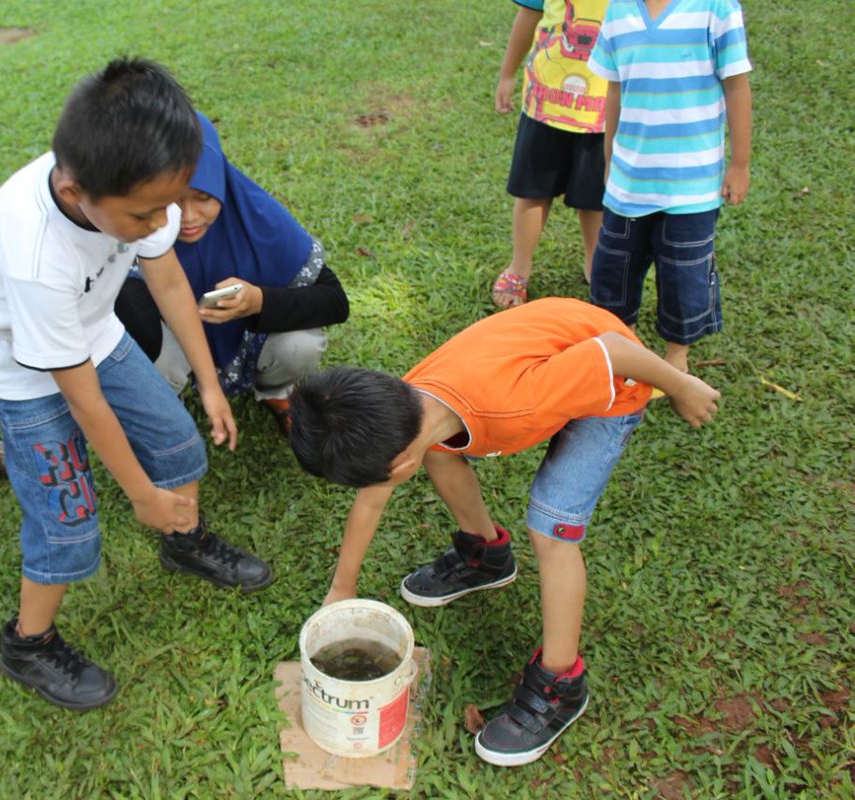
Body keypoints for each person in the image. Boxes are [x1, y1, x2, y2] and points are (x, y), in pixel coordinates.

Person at [0, 58, 274, 711]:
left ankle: (184, 544)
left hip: (89, 329)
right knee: (67, 523)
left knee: (180, 446)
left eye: (170, 205)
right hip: (23, 367)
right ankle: (29, 642)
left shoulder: (138, 196)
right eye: (145, 214)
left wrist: (209, 384)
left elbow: (170, 283)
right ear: (74, 193)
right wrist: (142, 497)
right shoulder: (38, 254)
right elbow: (82, 400)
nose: (162, 224)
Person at [286, 298, 721, 766]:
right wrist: (341, 588)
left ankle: (562, 682)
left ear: (398, 466)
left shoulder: (514, 403)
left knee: (551, 528)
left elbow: (615, 349)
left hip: (613, 385)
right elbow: (371, 500)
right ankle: (487, 556)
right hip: (556, 347)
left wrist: (681, 386)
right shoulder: (409, 405)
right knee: (439, 448)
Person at [114, 112, 348, 432]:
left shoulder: (257, 216)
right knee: (142, 354)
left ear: (220, 183)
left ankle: (275, 392)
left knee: (300, 344)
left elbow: (334, 301)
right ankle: (167, 406)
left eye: (204, 197)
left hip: (246, 335)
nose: (189, 217)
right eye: (171, 202)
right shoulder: (131, 229)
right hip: (171, 341)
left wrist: (258, 301)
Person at [587, 0, 753, 372]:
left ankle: (676, 358)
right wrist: (610, 155)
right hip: (629, 182)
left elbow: (737, 86)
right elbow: (615, 90)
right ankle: (622, 348)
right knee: (613, 269)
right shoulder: (619, 11)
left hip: (691, 186)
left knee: (685, 276)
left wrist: (740, 164)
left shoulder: (716, 8)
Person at [492, 0, 609, 308]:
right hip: (545, 104)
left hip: (604, 112)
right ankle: (519, 267)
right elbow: (527, 16)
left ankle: (595, 263)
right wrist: (507, 73)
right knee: (532, 192)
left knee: (595, 199)